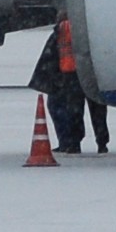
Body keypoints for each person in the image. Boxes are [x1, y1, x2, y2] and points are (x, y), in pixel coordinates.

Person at [30, 25, 87, 154]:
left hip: (64, 75)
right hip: (75, 75)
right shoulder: (78, 30)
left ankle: (67, 141)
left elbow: (50, 56)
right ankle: (74, 141)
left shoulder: (61, 31)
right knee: (74, 110)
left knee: (59, 108)